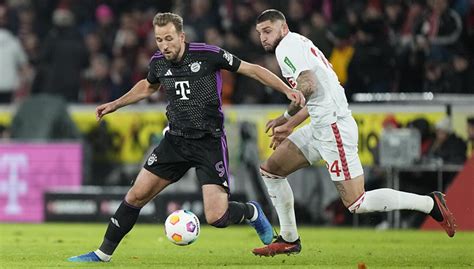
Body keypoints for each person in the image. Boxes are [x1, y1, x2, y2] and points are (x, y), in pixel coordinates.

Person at [68, 12, 305, 262]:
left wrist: (286, 90)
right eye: (159, 40)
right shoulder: (158, 62)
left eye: (169, 38)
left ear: (181, 36)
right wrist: (115, 104)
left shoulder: (208, 54)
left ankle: (250, 212)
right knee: (136, 195)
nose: (164, 45)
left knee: (217, 217)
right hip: (175, 141)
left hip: (208, 142)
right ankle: (102, 254)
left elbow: (252, 70)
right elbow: (148, 86)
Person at [252, 9, 457, 257]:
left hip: (333, 128)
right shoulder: (300, 43)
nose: (263, 37)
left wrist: (288, 111)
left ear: (283, 28)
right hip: (321, 125)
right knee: (271, 171)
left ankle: (430, 204)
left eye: (267, 30)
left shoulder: (286, 47)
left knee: (357, 203)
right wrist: (289, 122)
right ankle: (289, 239)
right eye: (260, 33)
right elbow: (321, 93)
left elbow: (308, 85)